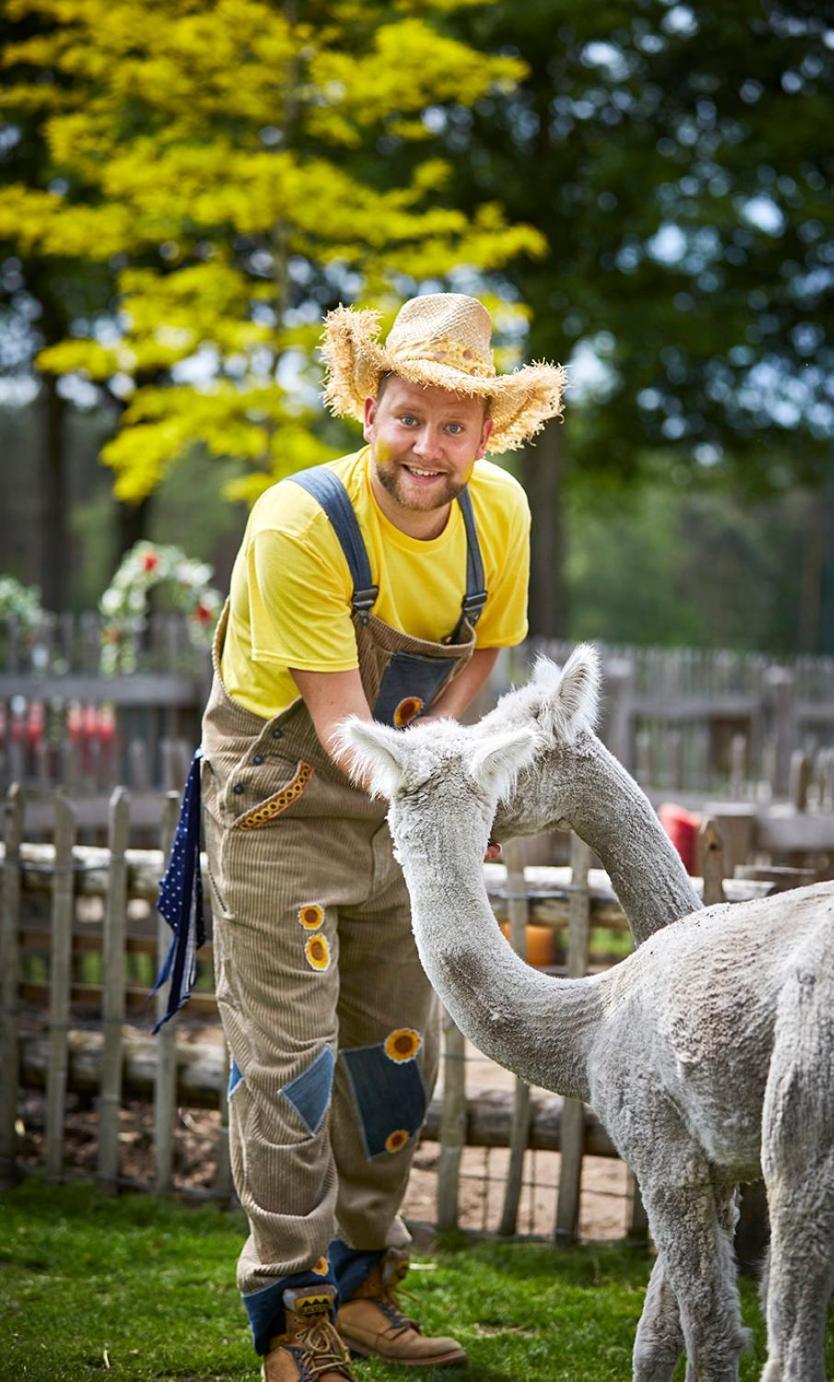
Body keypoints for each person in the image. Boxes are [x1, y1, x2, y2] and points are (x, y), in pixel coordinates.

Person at [167, 293, 565, 1381]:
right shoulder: (300, 522)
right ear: (368, 408)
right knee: (287, 1071)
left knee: (393, 1060)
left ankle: (363, 1289)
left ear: (489, 432)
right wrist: (438, 790)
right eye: (406, 417)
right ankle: (290, 1314)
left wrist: (444, 774)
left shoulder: (502, 514)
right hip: (282, 797)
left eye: (453, 426)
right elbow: (341, 722)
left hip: (404, 798)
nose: (425, 448)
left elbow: (481, 651)